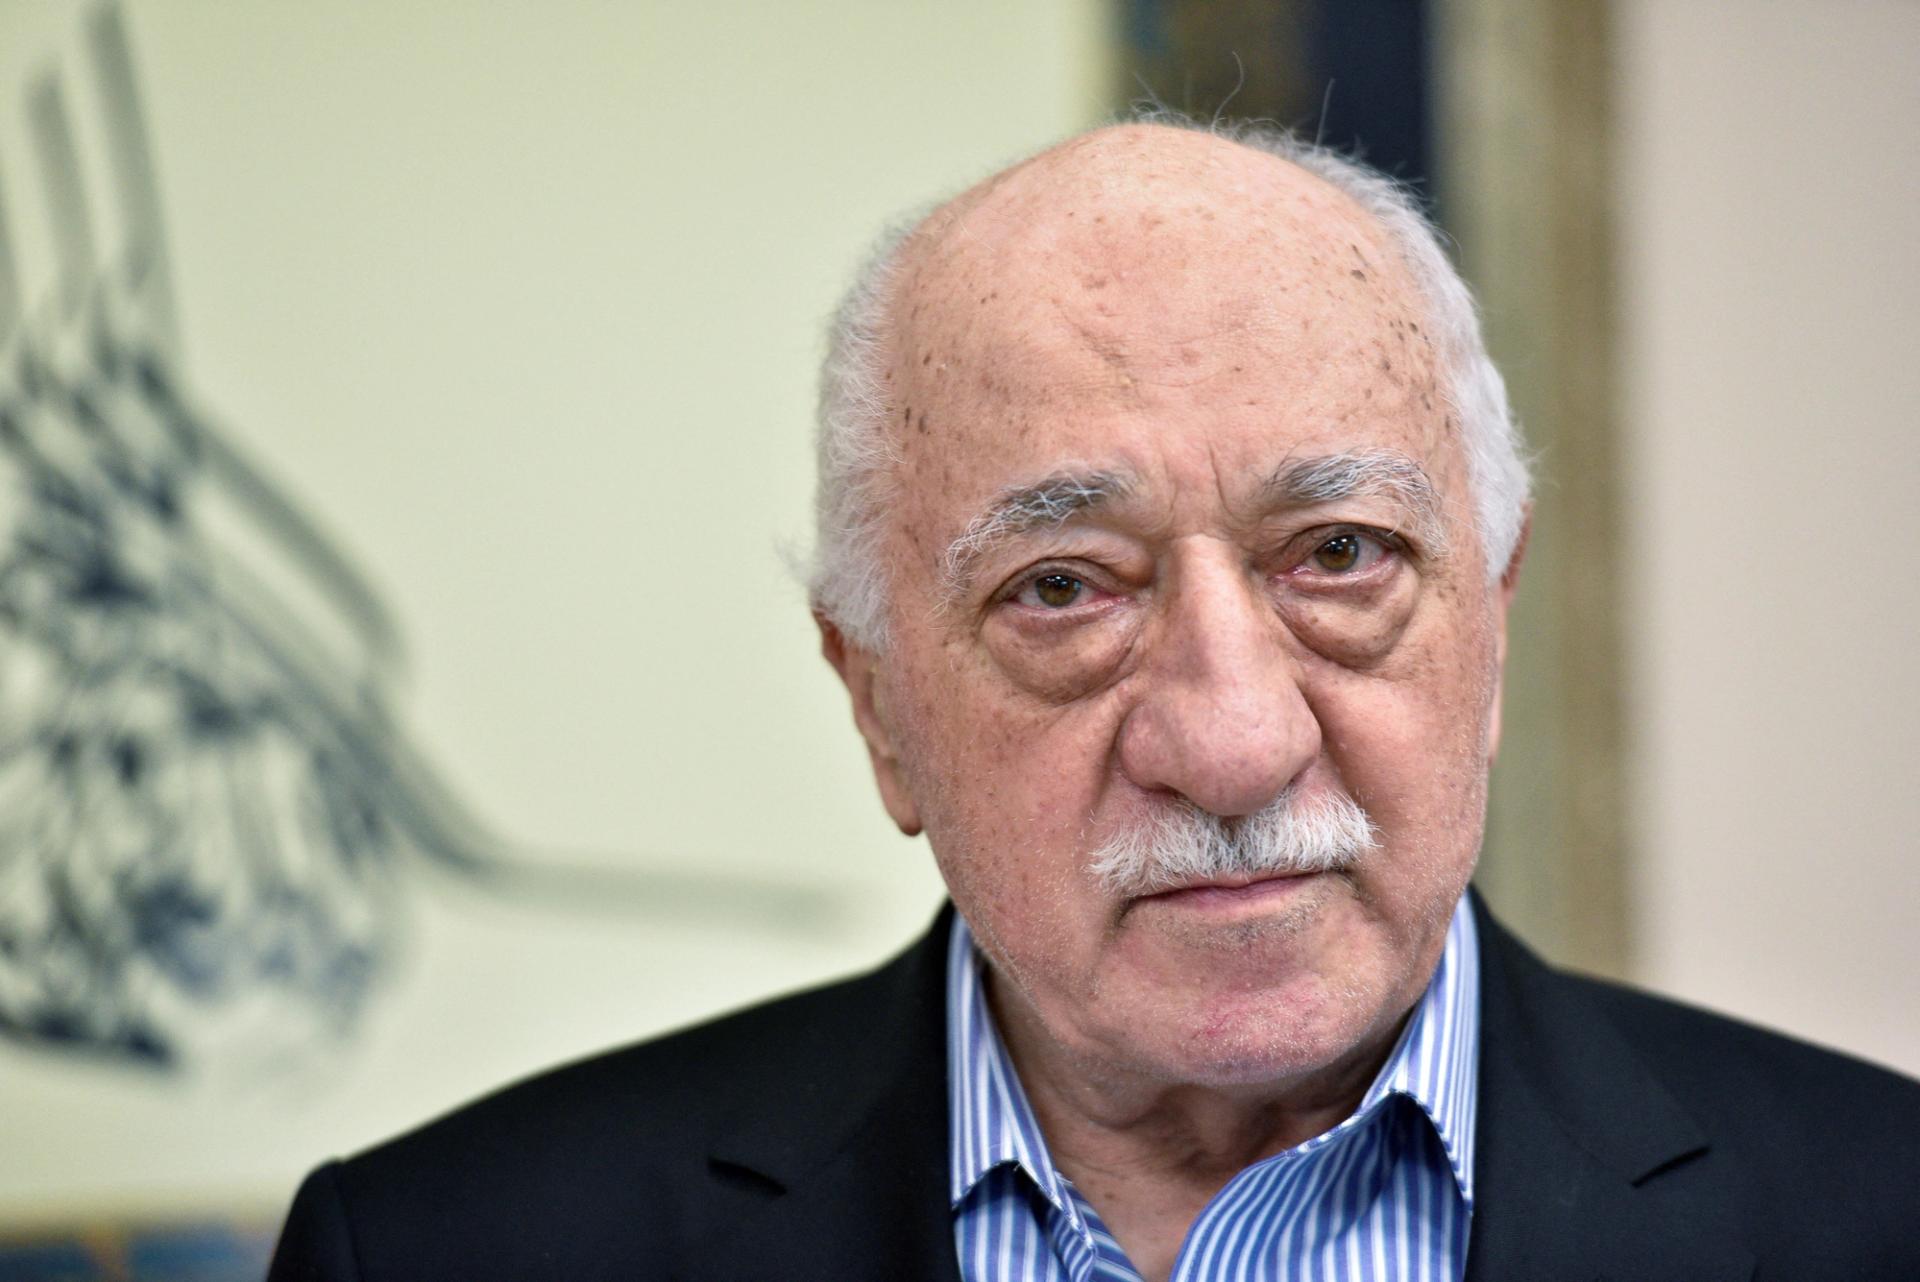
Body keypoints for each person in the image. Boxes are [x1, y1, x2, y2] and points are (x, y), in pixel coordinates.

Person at [267, 120, 1920, 1282]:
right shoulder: (444, 1248)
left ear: (1489, 619)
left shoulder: (1883, 1215)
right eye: (1062, 588)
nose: (1233, 740)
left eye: (1338, 554)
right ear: (878, 709)